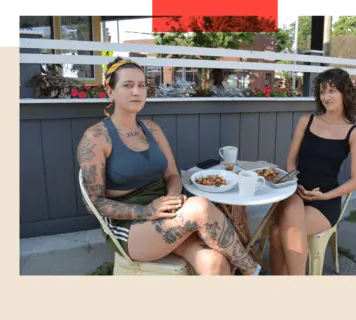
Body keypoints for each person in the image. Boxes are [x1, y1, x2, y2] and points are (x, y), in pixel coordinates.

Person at [77, 57, 262, 276]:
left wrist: (172, 200)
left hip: (166, 212)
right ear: (111, 92)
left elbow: (172, 175)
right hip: (129, 224)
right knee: (201, 207)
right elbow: (94, 203)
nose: (136, 91)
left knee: (213, 261)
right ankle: (254, 272)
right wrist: (146, 211)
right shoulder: (96, 138)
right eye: (127, 85)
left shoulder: (152, 129)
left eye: (141, 85)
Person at [269, 68, 356, 275]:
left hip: (326, 199)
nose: (326, 97)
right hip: (296, 189)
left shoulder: (355, 133)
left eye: (332, 90)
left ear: (345, 93)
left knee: (279, 233)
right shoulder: (307, 120)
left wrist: (325, 195)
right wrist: (295, 182)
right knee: (280, 229)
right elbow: (290, 160)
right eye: (322, 91)